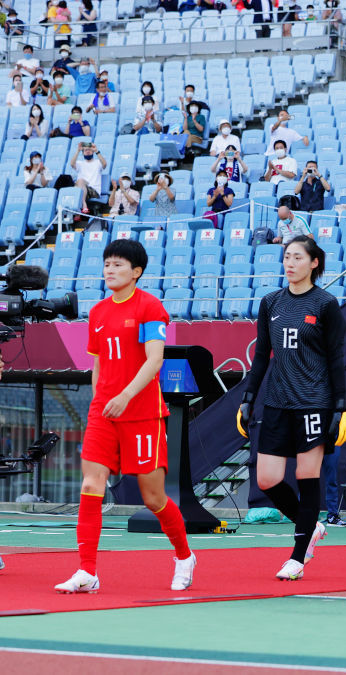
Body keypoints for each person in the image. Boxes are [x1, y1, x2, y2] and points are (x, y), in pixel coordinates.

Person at [55, 239, 195, 594]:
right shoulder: (99, 312)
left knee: (153, 498)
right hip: (104, 412)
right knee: (90, 485)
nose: (110, 270)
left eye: (118, 264)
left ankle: (184, 556)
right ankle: (87, 571)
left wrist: (126, 395)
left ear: (137, 272)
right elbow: (98, 364)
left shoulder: (150, 307)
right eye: (107, 264)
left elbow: (155, 361)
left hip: (142, 413)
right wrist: (100, 399)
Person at [237, 235, 346, 580]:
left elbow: (336, 360)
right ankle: (311, 524)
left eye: (298, 257)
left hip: (314, 402)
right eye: (287, 257)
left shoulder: (326, 304)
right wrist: (248, 399)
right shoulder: (271, 302)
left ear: (314, 263)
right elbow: (260, 358)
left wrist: (340, 407)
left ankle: (298, 556)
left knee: (306, 475)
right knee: (268, 479)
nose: (290, 263)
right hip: (276, 402)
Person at [71, 141, 105, 212]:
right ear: (83, 153)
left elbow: (104, 164)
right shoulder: (80, 163)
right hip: (81, 188)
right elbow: (72, 164)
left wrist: (97, 151)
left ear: (92, 152)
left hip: (94, 190)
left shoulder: (98, 162)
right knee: (77, 185)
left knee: (80, 181)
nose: (88, 151)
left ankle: (83, 206)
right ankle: (81, 207)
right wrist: (78, 151)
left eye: (89, 150)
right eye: (86, 150)